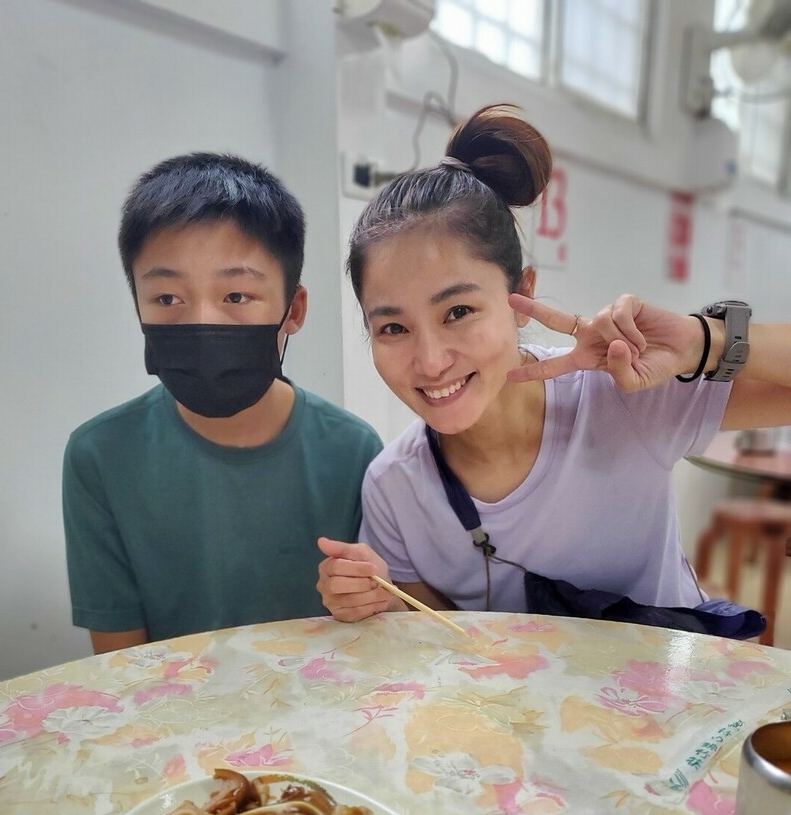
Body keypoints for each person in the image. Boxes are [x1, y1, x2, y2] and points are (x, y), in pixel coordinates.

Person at [317, 104, 791, 629]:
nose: (430, 361)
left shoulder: (620, 395)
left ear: (522, 294)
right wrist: (380, 602)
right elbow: (442, 636)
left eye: (458, 312)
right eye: (393, 328)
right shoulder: (393, 488)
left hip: (667, 696)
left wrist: (707, 338)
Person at [63, 153, 382, 654]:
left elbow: (365, 636)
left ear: (293, 309)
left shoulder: (355, 451)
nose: (200, 323)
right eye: (168, 299)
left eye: (236, 296)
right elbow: (119, 668)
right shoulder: (100, 458)